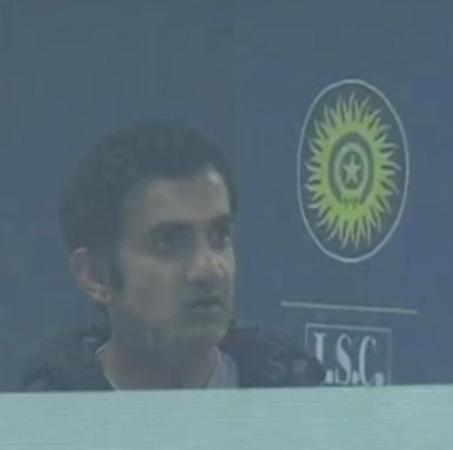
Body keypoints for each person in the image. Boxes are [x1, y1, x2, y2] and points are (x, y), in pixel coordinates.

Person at [20, 119, 323, 390]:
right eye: (169, 243)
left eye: (220, 237)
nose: (209, 269)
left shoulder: (300, 405)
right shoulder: (40, 420)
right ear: (96, 275)